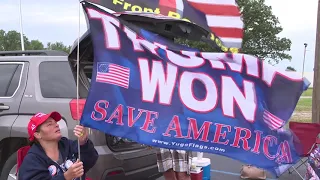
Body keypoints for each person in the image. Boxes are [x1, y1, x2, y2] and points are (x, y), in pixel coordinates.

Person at [18, 111, 98, 180]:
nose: (56, 125)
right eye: (49, 124)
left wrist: (83, 143)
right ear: (37, 134)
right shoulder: (33, 160)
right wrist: (65, 177)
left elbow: (90, 161)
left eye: (55, 122)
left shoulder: (67, 144)